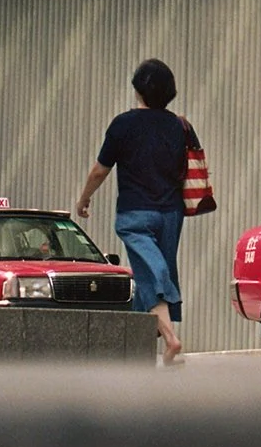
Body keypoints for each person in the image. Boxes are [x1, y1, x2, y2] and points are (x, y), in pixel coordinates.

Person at [77, 59, 194, 363]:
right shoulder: (177, 125)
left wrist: (84, 199)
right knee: (160, 268)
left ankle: (170, 338)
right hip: (170, 214)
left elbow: (100, 170)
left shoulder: (123, 124)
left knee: (151, 272)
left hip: (134, 214)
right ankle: (139, 342)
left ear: (138, 90)